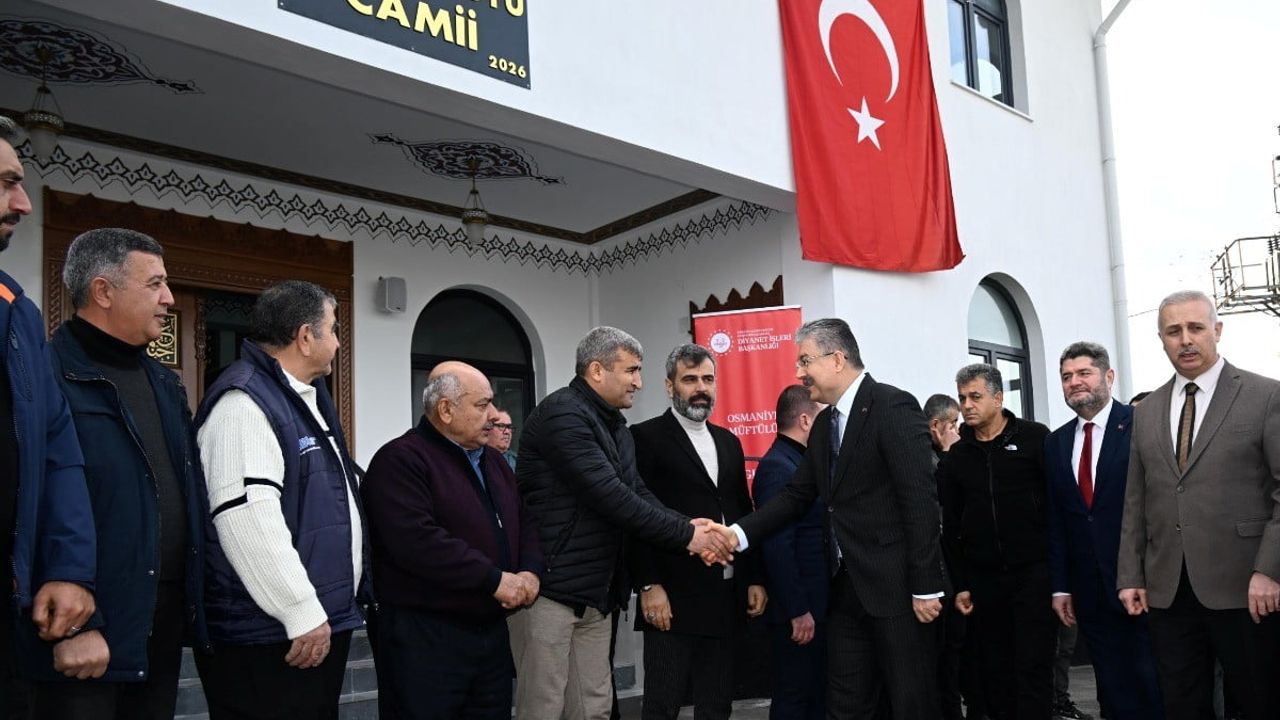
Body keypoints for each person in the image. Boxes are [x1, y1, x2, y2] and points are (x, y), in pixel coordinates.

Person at [719, 318, 946, 720]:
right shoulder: (825, 424)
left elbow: (919, 501)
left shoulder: (892, 406)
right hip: (843, 593)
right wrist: (734, 534)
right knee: (844, 704)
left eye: (805, 360)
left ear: (837, 359)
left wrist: (926, 586)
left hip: (898, 592)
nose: (799, 372)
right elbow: (795, 497)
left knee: (911, 702)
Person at [26, 229, 208, 718]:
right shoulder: (44, 376)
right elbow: (30, 506)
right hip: (83, 631)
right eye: (155, 284)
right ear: (103, 291)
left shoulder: (165, 383)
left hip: (161, 623)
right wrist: (76, 626)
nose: (169, 299)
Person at [509, 326, 731, 720]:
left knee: (594, 708)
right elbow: (610, 496)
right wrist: (688, 536)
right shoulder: (563, 415)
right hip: (551, 589)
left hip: (596, 593)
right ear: (597, 370)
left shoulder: (614, 426)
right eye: (631, 371)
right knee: (543, 707)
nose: (638, 382)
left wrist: (689, 525)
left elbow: (638, 492)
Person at [193, 280, 370, 719]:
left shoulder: (301, 398)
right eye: (333, 329)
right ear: (305, 336)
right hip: (271, 638)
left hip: (310, 626)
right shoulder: (243, 403)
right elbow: (247, 518)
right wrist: (300, 611)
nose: (338, 342)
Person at [1117, 290, 1280, 720]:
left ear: (1217, 330)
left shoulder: (1265, 396)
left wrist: (1270, 570)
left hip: (1246, 587)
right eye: (1173, 331)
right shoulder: (1146, 411)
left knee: (1257, 702)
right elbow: (1136, 498)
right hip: (1169, 592)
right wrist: (1130, 575)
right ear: (1161, 339)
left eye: (1196, 328)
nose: (1185, 339)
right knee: (1182, 704)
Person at [362, 361, 542, 719]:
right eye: (482, 404)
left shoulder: (494, 462)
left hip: (489, 634)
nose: (493, 415)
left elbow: (525, 520)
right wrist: (493, 579)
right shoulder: (400, 460)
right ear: (445, 410)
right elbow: (418, 542)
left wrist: (531, 570)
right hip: (424, 637)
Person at [0, 115, 98, 717]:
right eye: (7, 183)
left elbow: (57, 453)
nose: (24, 204)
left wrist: (68, 570)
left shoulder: (17, 313)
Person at [629, 344, 766, 720]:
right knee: (662, 705)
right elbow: (634, 517)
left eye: (707, 379)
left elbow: (743, 513)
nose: (700, 387)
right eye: (690, 379)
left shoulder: (729, 441)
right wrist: (648, 585)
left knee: (717, 704)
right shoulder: (643, 437)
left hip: (725, 594)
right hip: (671, 598)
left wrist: (753, 577)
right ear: (669, 385)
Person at [1045, 341, 1161, 720]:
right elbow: (1058, 520)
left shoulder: (1142, 425)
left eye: (1084, 373)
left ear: (1109, 376)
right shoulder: (1056, 443)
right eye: (1066, 376)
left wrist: (1146, 572)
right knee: (1111, 689)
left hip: (1143, 585)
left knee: (1154, 684)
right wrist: (1061, 587)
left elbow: (1158, 505)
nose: (1074, 382)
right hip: (1089, 590)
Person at [939, 363, 1055, 720]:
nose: (967, 405)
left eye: (975, 396)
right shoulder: (958, 455)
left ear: (999, 398)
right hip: (983, 581)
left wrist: (1058, 574)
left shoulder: (1035, 438)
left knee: (1034, 668)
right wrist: (961, 584)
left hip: (1034, 576)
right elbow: (950, 525)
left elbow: (1056, 507)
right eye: (962, 398)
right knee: (995, 672)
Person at [753, 385, 828, 720]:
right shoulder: (778, 467)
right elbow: (777, 546)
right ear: (805, 421)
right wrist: (798, 610)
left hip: (815, 606)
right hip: (799, 612)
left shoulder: (799, 462)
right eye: (822, 418)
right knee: (795, 696)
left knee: (814, 695)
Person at [923, 393, 978, 720]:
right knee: (947, 655)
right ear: (936, 426)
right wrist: (948, 454)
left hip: (954, 571)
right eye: (953, 424)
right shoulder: (930, 460)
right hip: (940, 576)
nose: (957, 430)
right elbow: (943, 505)